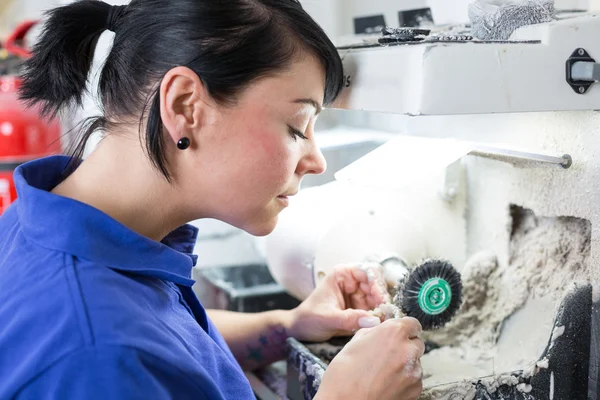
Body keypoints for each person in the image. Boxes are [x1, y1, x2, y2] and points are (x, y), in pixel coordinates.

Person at [0, 1, 425, 399]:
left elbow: (163, 341)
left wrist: (288, 326)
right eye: (297, 126)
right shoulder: (95, 356)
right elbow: (125, 350)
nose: (315, 161)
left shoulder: (54, 222)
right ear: (185, 106)